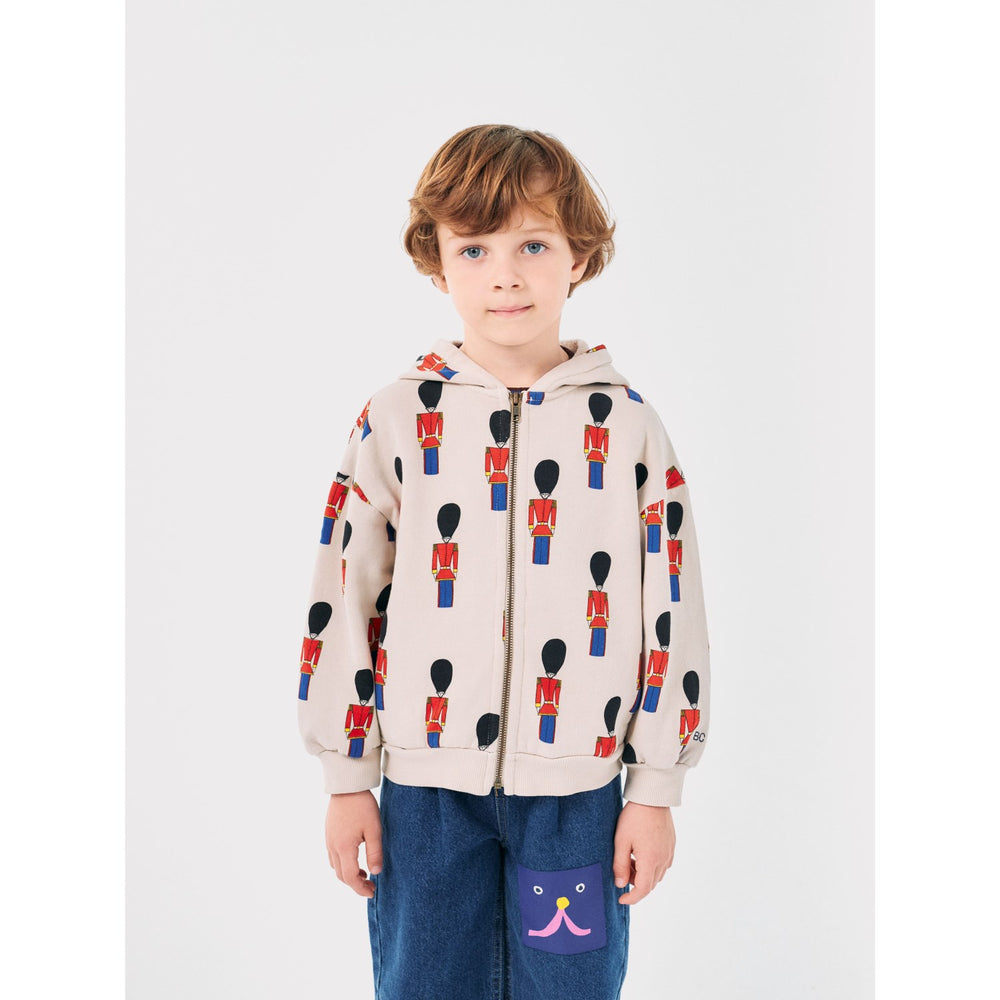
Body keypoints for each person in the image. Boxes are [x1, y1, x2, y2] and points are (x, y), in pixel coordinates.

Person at [296, 123, 712, 1000]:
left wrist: (654, 788)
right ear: (437, 263)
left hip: (578, 800)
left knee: (570, 987)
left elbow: (673, 607)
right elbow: (345, 593)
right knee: (424, 986)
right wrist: (347, 777)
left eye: (533, 244)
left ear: (579, 256)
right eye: (475, 248)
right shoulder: (397, 417)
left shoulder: (628, 427)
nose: (506, 275)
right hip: (424, 799)